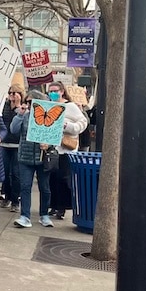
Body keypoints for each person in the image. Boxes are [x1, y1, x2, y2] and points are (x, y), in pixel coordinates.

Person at [11, 90, 53, 228]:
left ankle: (44, 214)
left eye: (30, 102)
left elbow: (54, 134)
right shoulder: (24, 116)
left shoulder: (48, 116)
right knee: (25, 187)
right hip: (26, 157)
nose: (28, 105)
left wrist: (48, 144)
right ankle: (25, 216)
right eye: (26, 102)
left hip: (42, 157)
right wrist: (19, 114)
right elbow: (14, 130)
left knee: (45, 188)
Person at [46, 82, 89, 220]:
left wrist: (68, 126)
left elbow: (82, 122)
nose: (52, 93)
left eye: (55, 91)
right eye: (50, 91)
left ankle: (62, 207)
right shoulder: (48, 106)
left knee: (63, 179)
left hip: (66, 150)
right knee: (52, 179)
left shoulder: (70, 107)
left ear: (62, 91)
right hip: (52, 149)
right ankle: (54, 205)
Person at [1, 85, 25, 213]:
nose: (13, 95)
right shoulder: (4, 106)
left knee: (16, 174)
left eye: (16, 93)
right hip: (4, 144)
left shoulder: (22, 109)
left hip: (17, 144)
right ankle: (7, 197)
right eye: (11, 92)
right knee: (5, 172)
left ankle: (15, 201)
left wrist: (18, 108)